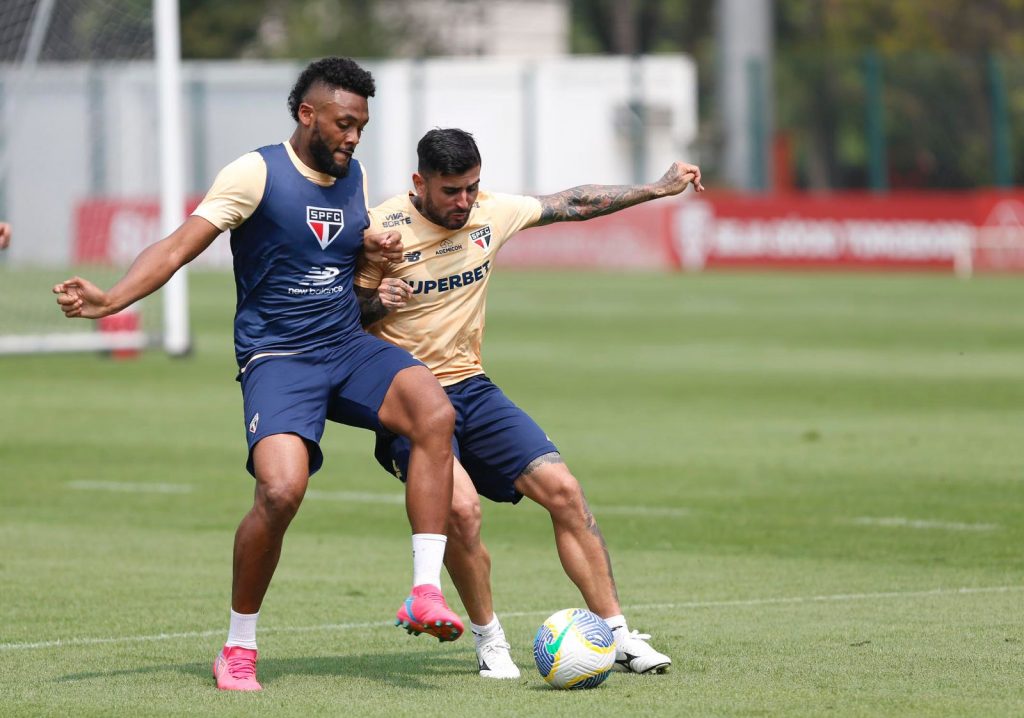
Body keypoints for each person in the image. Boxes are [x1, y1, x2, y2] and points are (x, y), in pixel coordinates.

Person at [53, 58, 464, 692]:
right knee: (280, 492)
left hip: (345, 345)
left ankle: (423, 591)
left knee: (433, 410)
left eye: (361, 126)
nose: (354, 138)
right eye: (344, 124)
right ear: (308, 115)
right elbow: (177, 244)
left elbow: (330, 253)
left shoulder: (347, 174)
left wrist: (370, 252)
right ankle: (239, 645)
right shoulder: (255, 172)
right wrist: (111, 301)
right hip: (279, 359)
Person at [355, 128, 703, 680]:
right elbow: (340, 316)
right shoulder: (381, 228)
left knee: (565, 492)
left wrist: (657, 189)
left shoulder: (490, 213)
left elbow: (574, 202)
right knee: (462, 511)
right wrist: (376, 301)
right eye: (450, 191)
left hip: (472, 386)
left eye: (471, 188)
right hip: (410, 399)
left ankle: (617, 635)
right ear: (419, 183)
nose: (463, 202)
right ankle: (490, 641)